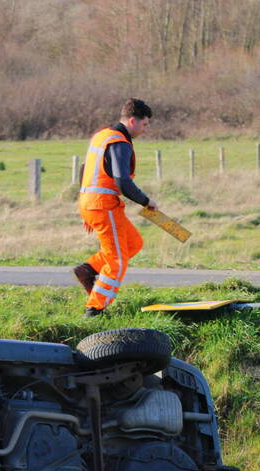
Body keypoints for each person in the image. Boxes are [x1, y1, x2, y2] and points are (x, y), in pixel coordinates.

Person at [73, 98, 158, 317]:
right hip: (103, 205)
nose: (146, 130)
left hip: (90, 202)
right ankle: (94, 309)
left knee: (134, 243)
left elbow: (85, 170)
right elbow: (123, 182)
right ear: (132, 121)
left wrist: (85, 204)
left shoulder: (102, 136)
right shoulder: (120, 142)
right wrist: (146, 201)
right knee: (117, 261)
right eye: (145, 124)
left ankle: (89, 269)